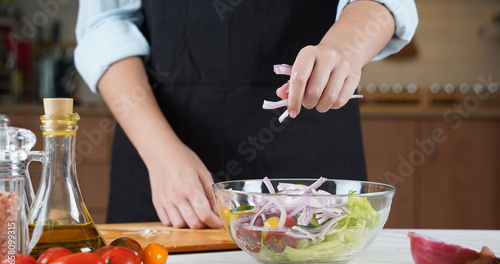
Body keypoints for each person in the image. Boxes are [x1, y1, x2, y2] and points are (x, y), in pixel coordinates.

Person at [75, 0, 418, 229]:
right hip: (163, 158)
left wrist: (343, 48)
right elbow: (105, 25)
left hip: (310, 151)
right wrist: (160, 154)